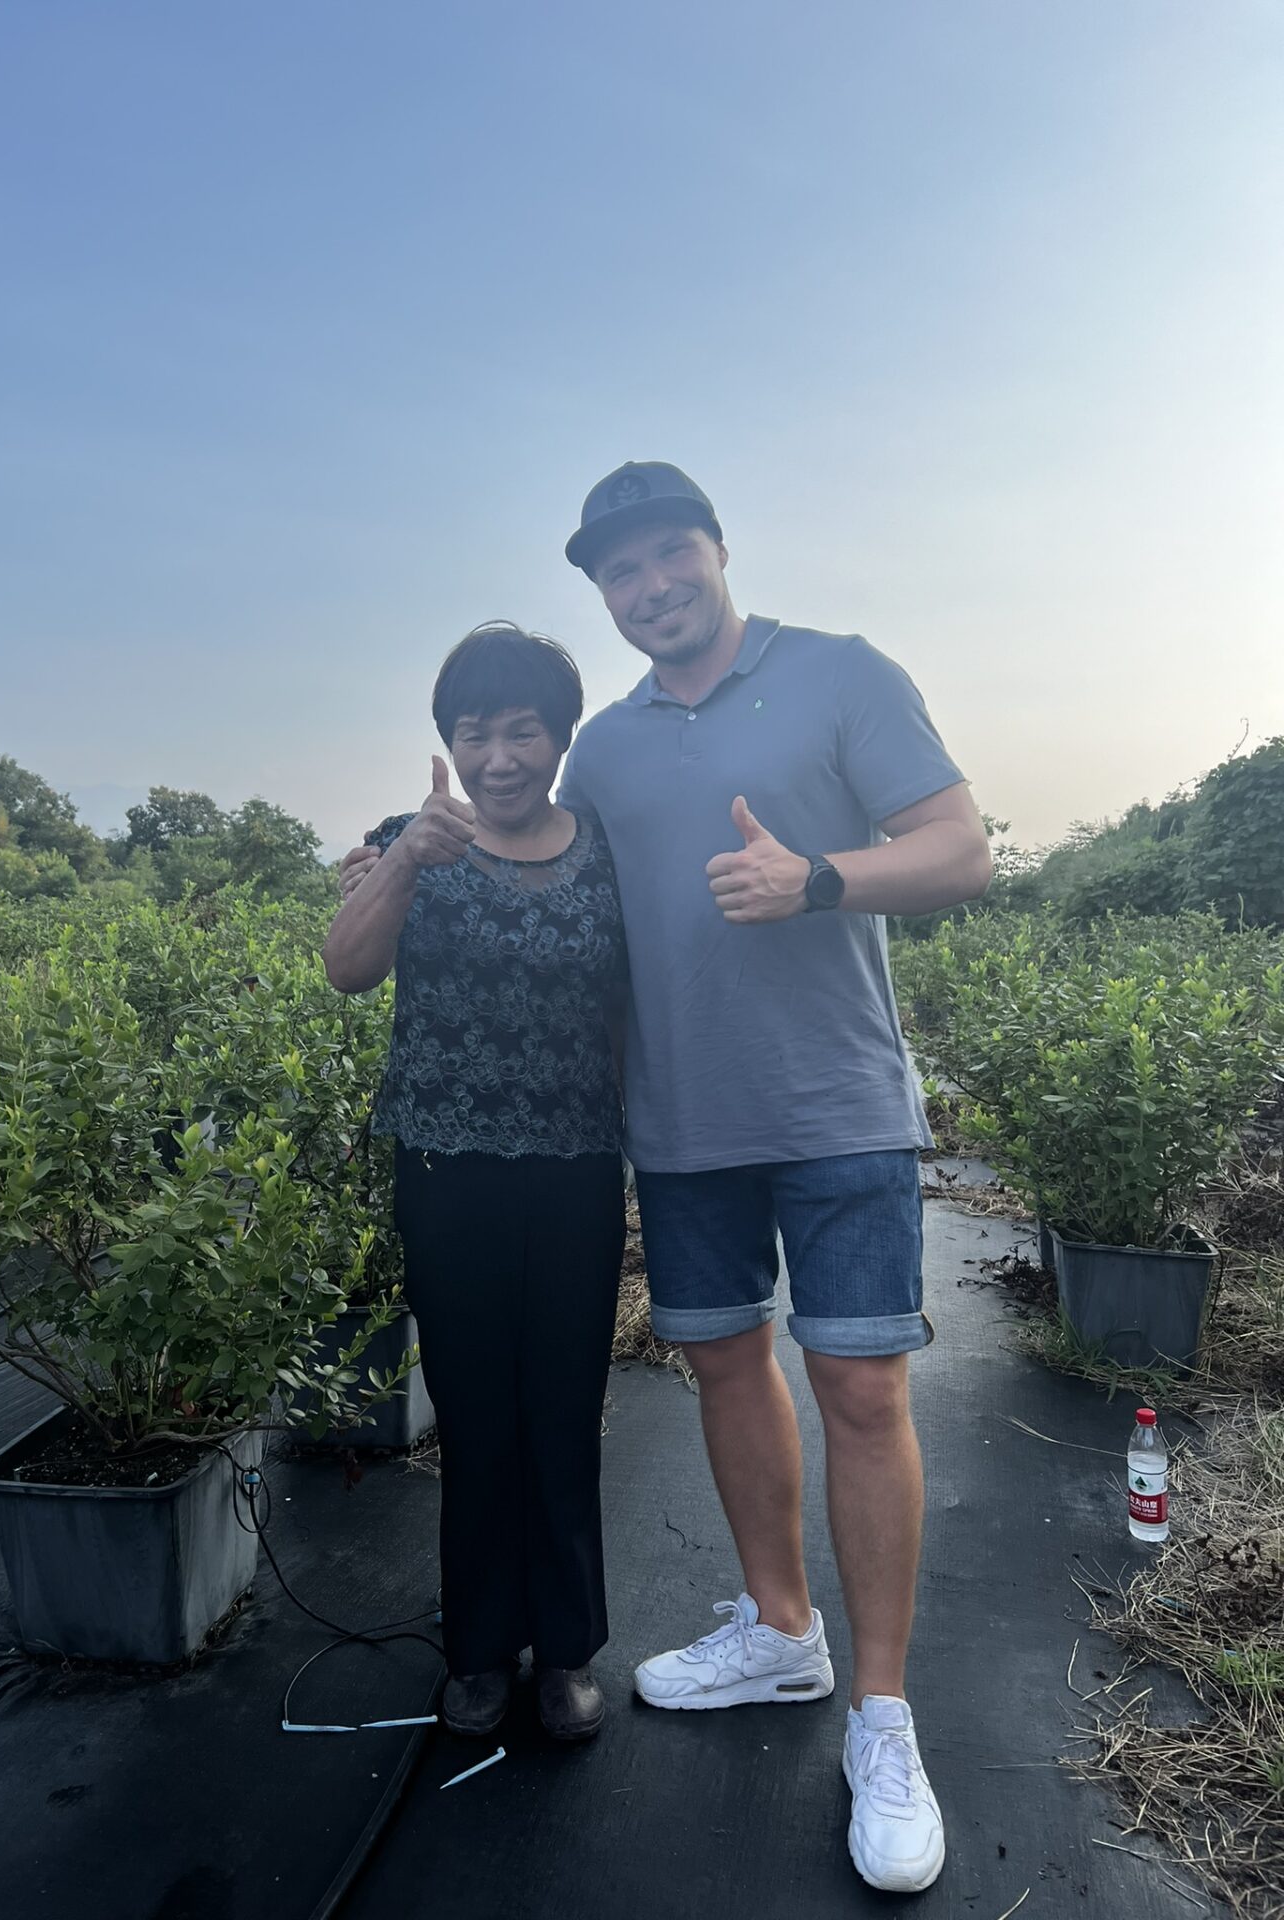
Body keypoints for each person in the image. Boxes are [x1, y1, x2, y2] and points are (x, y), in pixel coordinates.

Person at [341, 464, 990, 1894]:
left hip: (834, 1106)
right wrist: (397, 852)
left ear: (714, 551)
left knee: (865, 1386)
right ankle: (779, 1631)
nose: (648, 589)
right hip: (682, 1128)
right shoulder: (610, 756)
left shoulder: (840, 673)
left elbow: (963, 850)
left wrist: (819, 878)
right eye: (619, 574)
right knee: (722, 1368)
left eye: (667, 558)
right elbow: (497, 887)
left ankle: (882, 1716)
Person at [324, 621, 627, 1745]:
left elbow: (627, 1006)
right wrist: (404, 859)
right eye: (474, 732)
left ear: (558, 737)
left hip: (577, 1171)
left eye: (522, 730)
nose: (498, 756)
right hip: (446, 1169)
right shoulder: (409, 842)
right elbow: (348, 971)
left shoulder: (602, 849)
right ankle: (479, 1650)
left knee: (563, 1406)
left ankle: (569, 1653)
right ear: (449, 741)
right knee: (475, 1409)